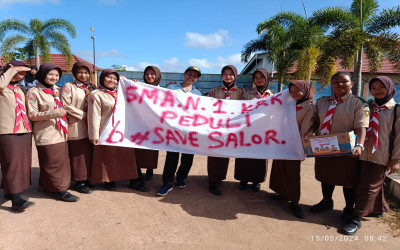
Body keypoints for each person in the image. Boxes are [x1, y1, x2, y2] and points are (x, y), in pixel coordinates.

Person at [309, 72, 369, 231]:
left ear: (352, 84)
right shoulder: (322, 102)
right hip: (325, 145)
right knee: (326, 175)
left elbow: (361, 126)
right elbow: (316, 121)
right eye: (336, 82)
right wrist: (310, 132)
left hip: (346, 148)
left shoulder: (359, 103)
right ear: (331, 84)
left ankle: (349, 209)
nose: (340, 84)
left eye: (344, 81)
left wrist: (359, 145)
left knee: (348, 179)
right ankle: (326, 201)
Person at [344, 76, 400, 235]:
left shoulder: (397, 110)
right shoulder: (366, 106)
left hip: (380, 154)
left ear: (389, 88)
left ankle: (357, 217)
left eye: (381, 87)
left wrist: (395, 159)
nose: (376, 91)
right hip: (360, 152)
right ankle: (377, 208)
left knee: (369, 186)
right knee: (362, 182)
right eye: (373, 88)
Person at [27, 63, 79, 202]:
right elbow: (32, 114)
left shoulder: (58, 90)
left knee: (61, 161)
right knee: (51, 162)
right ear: (42, 74)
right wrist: (54, 113)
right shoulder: (34, 92)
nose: (54, 77)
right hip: (46, 133)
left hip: (61, 131)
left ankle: (47, 185)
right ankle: (59, 190)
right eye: (50, 74)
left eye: (57, 75)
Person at [269, 80, 319, 218]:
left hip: (294, 144)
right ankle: (282, 193)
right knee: (279, 168)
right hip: (281, 142)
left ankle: (294, 201)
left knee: (292, 172)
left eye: (298, 90)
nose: (295, 94)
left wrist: (301, 149)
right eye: (291, 91)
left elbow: (306, 129)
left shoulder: (309, 108)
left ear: (305, 91)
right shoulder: (288, 105)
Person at [88, 69, 138, 191]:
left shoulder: (120, 93)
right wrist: (94, 135)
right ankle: (108, 180)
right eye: (109, 77)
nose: (112, 81)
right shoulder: (96, 94)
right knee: (108, 156)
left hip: (122, 131)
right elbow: (94, 116)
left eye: (115, 79)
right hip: (106, 130)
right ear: (102, 78)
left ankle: (125, 177)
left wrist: (133, 84)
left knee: (123, 155)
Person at [156, 66, 202, 196]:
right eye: (189, 74)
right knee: (172, 156)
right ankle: (167, 183)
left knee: (188, 157)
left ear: (197, 79)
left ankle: (181, 177)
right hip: (174, 129)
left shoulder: (198, 94)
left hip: (190, 130)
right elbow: (159, 98)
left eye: (194, 76)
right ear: (184, 74)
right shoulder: (172, 89)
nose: (191, 77)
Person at [0, 61, 35, 211]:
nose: (19, 76)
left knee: (20, 163)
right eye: (16, 72)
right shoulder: (2, 87)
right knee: (11, 163)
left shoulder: (19, 89)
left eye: (23, 73)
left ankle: (10, 191)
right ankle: (16, 200)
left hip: (24, 130)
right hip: (7, 130)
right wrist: (12, 70)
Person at [207, 65, 246, 196]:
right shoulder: (214, 91)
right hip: (216, 128)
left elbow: (246, 109)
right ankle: (213, 181)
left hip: (232, 129)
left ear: (235, 76)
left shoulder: (241, 92)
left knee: (225, 153)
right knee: (214, 153)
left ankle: (220, 177)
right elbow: (206, 107)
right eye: (225, 74)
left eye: (231, 74)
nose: (228, 76)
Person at [235, 68, 274, 192]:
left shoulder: (273, 96)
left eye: (261, 77)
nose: (259, 80)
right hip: (247, 131)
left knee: (260, 157)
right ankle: (243, 179)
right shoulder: (246, 95)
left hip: (264, 132)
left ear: (267, 78)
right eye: (256, 78)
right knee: (244, 156)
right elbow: (239, 111)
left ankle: (257, 181)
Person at [61, 62, 95, 194]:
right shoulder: (69, 87)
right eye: (80, 72)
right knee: (78, 153)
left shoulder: (92, 88)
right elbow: (66, 105)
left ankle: (86, 178)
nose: (83, 75)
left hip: (91, 126)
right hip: (76, 124)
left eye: (86, 72)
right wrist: (85, 115)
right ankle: (79, 181)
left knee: (88, 152)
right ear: (74, 73)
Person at [129, 66, 162, 192]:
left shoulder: (163, 91)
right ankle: (137, 174)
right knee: (138, 150)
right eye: (147, 74)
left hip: (154, 126)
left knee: (152, 150)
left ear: (158, 75)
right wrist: (130, 83)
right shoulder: (139, 87)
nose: (149, 76)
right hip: (139, 125)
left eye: (153, 74)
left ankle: (149, 169)